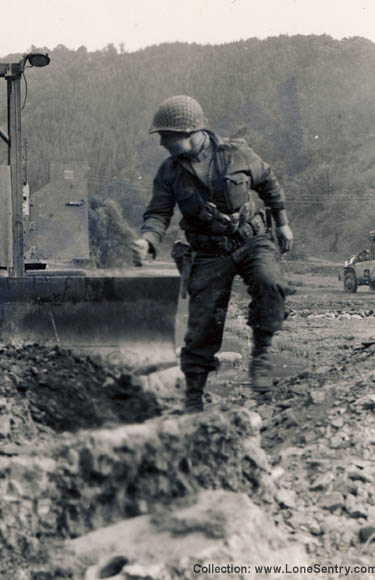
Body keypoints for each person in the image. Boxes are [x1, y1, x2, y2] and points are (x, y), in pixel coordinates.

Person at [132, 95, 294, 412]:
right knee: (203, 323)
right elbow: (158, 214)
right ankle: (193, 395)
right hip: (207, 252)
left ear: (191, 131)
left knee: (270, 282)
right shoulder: (169, 172)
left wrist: (283, 224)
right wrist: (147, 241)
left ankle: (261, 353)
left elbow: (268, 181)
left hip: (252, 239)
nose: (162, 142)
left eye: (167, 136)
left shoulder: (236, 154)